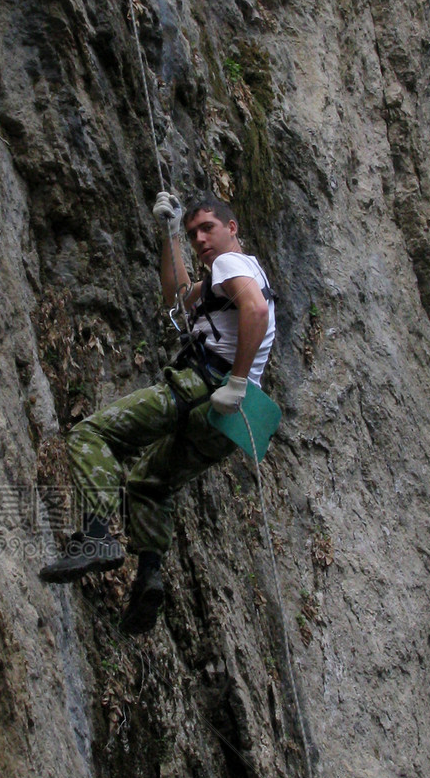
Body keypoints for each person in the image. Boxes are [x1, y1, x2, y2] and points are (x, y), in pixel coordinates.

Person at [39, 191, 276, 634]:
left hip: (205, 387)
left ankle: (96, 535)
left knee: (90, 436)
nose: (201, 239)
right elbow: (179, 299)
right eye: (193, 233)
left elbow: (255, 310)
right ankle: (148, 576)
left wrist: (237, 380)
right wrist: (170, 236)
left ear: (232, 228)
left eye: (208, 228)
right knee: (149, 485)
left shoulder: (231, 265)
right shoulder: (238, 275)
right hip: (228, 423)